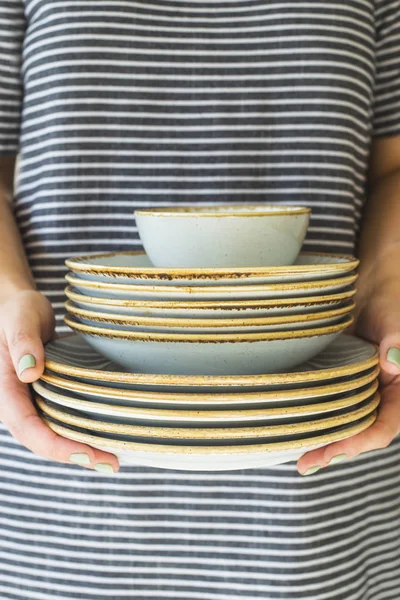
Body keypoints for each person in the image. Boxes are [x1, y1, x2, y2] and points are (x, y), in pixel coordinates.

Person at [0, 0, 399, 598]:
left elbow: (394, 166)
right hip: (60, 465)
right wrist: (7, 293)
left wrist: (385, 283)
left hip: (318, 480)